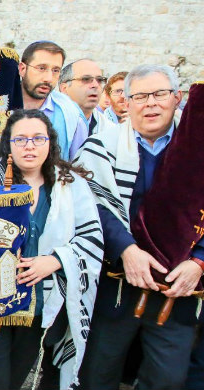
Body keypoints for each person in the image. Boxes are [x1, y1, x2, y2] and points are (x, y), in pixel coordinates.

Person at [0, 109, 103, 390]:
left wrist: (55, 261)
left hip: (36, 307)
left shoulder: (71, 184)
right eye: (20, 139)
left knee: (12, 382)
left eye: (38, 138)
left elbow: (91, 237)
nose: (29, 146)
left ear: (50, 142)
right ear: (8, 143)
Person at [76, 65, 203, 390]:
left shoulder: (198, 150)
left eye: (160, 94)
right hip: (115, 287)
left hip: (176, 292)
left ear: (177, 99)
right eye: (140, 96)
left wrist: (199, 262)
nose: (151, 104)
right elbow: (87, 207)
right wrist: (126, 250)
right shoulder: (100, 148)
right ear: (126, 102)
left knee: (167, 380)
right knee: (96, 376)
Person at [19, 41, 88, 160]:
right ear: (22, 69)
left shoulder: (72, 115)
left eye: (56, 70)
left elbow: (79, 166)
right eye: (41, 68)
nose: (48, 78)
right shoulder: (0, 106)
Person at [59, 59, 117, 135]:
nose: (95, 85)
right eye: (86, 79)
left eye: (99, 80)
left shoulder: (109, 130)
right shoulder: (48, 123)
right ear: (64, 88)